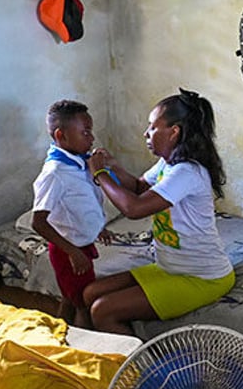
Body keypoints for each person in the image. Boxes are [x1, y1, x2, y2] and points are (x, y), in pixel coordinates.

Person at [83, 88, 234, 335]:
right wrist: (113, 166)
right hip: (169, 267)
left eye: (153, 127)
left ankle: (142, 371)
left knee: (102, 310)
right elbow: (140, 187)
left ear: (174, 132)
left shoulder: (187, 172)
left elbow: (134, 208)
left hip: (201, 277)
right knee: (90, 293)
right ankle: (104, 356)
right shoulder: (169, 162)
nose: (146, 133)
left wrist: (99, 174)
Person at [31, 99, 112, 328]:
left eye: (91, 131)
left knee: (71, 296)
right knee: (83, 304)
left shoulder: (79, 163)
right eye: (85, 132)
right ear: (61, 136)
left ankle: (57, 333)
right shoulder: (55, 173)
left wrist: (99, 227)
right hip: (68, 250)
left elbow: (84, 203)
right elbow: (38, 222)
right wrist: (73, 253)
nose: (92, 138)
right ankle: (81, 349)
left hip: (79, 244)